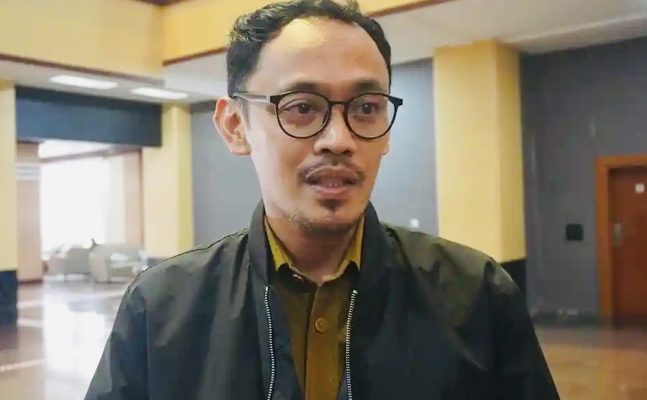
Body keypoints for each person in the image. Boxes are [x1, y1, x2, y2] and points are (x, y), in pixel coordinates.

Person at [85, 1, 559, 399]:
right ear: (235, 126)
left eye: (366, 108)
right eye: (302, 108)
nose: (339, 140)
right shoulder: (161, 308)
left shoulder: (476, 296)